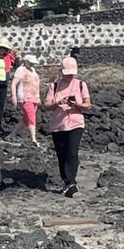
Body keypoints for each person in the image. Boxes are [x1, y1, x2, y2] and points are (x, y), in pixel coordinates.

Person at [43, 56, 92, 197]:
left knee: (72, 151)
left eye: (72, 73)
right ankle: (67, 182)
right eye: (67, 73)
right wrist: (58, 102)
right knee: (62, 154)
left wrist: (77, 105)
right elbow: (46, 105)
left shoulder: (81, 84)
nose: (69, 76)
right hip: (58, 125)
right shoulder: (54, 86)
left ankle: (71, 183)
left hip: (76, 123)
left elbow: (88, 104)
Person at [11, 53, 43, 149]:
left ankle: (11, 135)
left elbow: (36, 84)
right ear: (26, 61)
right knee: (31, 118)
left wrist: (38, 97)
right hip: (25, 97)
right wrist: (14, 96)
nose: (32, 65)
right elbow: (13, 84)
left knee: (26, 119)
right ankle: (33, 139)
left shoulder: (33, 70)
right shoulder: (20, 70)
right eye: (30, 63)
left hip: (34, 98)